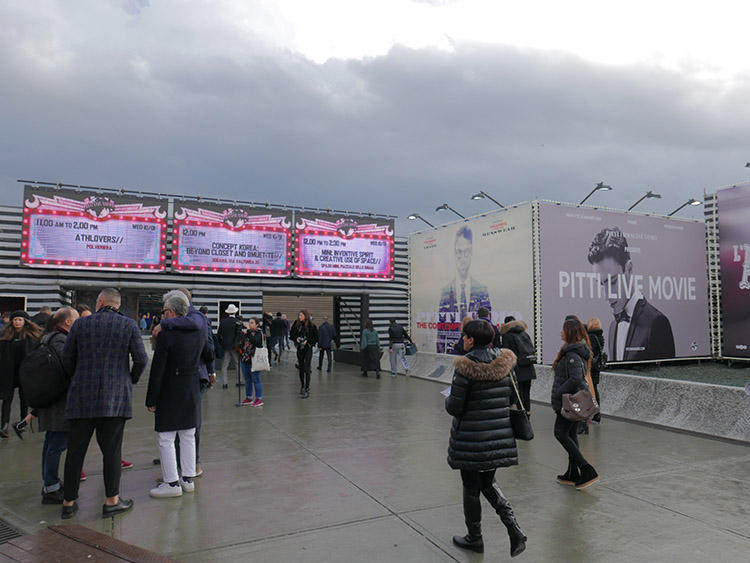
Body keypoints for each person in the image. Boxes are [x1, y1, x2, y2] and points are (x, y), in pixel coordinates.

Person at [60, 288, 148, 519]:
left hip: (81, 395)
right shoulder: (128, 325)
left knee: (75, 450)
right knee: (111, 451)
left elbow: (67, 358)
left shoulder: (80, 324)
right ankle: (111, 501)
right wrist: (129, 379)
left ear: (99, 302)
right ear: (117, 305)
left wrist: (76, 377)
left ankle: (68, 502)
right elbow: (141, 359)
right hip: (115, 397)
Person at [445, 320, 526, 557]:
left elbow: (455, 407)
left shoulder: (465, 367)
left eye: (465, 337)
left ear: (470, 339)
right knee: (488, 483)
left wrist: (447, 399)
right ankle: (514, 529)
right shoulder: (505, 364)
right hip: (497, 437)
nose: (463, 339)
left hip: (471, 439)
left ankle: (475, 538)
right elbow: (512, 396)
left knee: (471, 489)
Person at [146, 291, 205, 498]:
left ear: (170, 312)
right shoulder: (198, 330)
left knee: (166, 436)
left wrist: (151, 398)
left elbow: (158, 369)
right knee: (188, 434)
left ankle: (171, 483)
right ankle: (187, 479)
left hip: (170, 389)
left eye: (163, 312)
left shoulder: (166, 334)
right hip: (191, 386)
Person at [152, 289, 215, 476]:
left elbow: (204, 341)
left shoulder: (195, 316)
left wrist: (164, 324)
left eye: (165, 311)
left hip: (195, 375)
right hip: (183, 375)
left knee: (189, 426)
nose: (164, 314)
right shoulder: (180, 320)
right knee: (182, 426)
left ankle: (191, 465)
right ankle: (178, 464)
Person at [588, 226, 675, 361]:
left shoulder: (658, 323)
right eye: (602, 284)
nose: (607, 296)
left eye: (612, 282)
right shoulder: (613, 328)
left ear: (628, 268)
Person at [33, 307, 80, 503]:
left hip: (49, 399)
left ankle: (49, 483)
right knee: (57, 444)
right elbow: (69, 367)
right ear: (67, 322)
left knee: (51, 443)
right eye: (76, 319)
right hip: (60, 402)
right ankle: (51, 487)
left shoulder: (46, 338)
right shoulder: (61, 340)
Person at [551, 317, 599, 490]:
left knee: (560, 433)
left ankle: (586, 469)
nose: (561, 332)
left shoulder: (572, 354)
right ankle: (573, 473)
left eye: (564, 329)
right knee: (571, 435)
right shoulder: (573, 351)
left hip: (567, 401)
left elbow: (576, 378)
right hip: (569, 401)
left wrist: (559, 391)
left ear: (570, 332)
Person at [437, 226, 492, 353]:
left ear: (472, 253)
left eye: (466, 251)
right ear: (454, 254)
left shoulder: (481, 290)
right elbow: (440, 332)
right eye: (459, 252)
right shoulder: (446, 291)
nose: (462, 257)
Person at [0, 311, 42, 438]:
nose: (17, 322)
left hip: (24, 372)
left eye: (20, 319)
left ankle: (22, 423)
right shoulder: (5, 335)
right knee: (7, 398)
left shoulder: (31, 336)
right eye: (15, 319)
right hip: (9, 372)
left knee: (25, 399)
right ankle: (4, 425)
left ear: (25, 321)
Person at [500, 316, 536, 417]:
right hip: (528, 367)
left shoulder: (507, 336)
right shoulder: (524, 333)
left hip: (517, 368)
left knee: (518, 393)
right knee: (526, 393)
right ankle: (528, 412)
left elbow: (506, 353)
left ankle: (523, 414)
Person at [290, 310, 317, 398]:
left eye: (301, 315)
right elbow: (291, 335)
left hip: (308, 348)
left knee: (307, 367)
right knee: (301, 367)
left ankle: (307, 387)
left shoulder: (312, 326)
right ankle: (302, 385)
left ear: (306, 316)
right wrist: (296, 339)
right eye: (299, 315)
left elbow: (316, 338)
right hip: (300, 348)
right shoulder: (296, 324)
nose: (299, 317)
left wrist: (307, 341)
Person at [239, 318, 264, 407]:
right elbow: (242, 343)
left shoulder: (258, 333)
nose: (250, 324)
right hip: (245, 358)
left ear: (257, 324)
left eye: (252, 323)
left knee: (256, 379)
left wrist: (249, 331)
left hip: (254, 359)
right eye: (249, 323)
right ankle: (249, 397)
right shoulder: (247, 333)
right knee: (247, 380)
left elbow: (256, 341)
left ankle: (259, 398)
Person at [218, 304, 242, 389]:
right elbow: (239, 335)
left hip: (225, 346)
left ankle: (225, 383)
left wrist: (222, 344)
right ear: (235, 312)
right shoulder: (238, 322)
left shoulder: (223, 322)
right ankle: (238, 381)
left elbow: (218, 335)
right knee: (237, 364)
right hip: (235, 347)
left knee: (224, 365)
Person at [587, 318, 605, 424]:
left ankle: (595, 414)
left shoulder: (591, 337)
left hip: (591, 367)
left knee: (591, 390)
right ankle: (596, 414)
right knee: (595, 389)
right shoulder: (600, 336)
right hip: (596, 367)